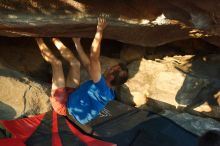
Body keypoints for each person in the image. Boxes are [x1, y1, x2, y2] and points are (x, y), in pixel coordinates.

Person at [35, 17, 128, 125]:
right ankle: (54, 38)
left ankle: (38, 37)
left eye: (111, 69)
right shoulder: (108, 87)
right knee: (76, 63)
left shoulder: (102, 88)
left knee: (57, 64)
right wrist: (77, 43)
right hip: (73, 96)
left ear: (111, 77)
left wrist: (99, 30)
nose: (108, 68)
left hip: (64, 107)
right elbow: (88, 64)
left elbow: (94, 58)